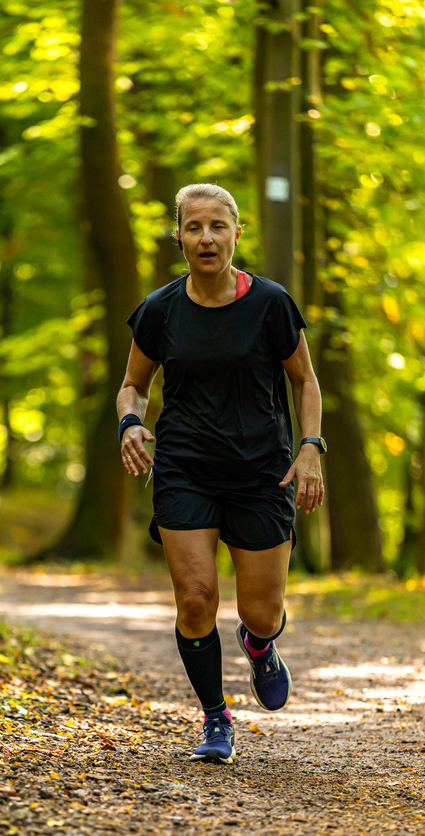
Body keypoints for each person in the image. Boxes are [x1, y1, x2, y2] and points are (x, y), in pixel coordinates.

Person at [117, 183, 325, 764]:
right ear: (179, 237)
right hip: (185, 468)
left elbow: (305, 380)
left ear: (237, 233)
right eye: (194, 228)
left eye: (217, 227)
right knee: (194, 599)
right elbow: (133, 385)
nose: (206, 238)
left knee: (262, 611)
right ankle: (215, 718)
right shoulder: (160, 310)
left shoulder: (271, 303)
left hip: (262, 472)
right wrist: (130, 423)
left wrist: (311, 446)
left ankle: (259, 644)